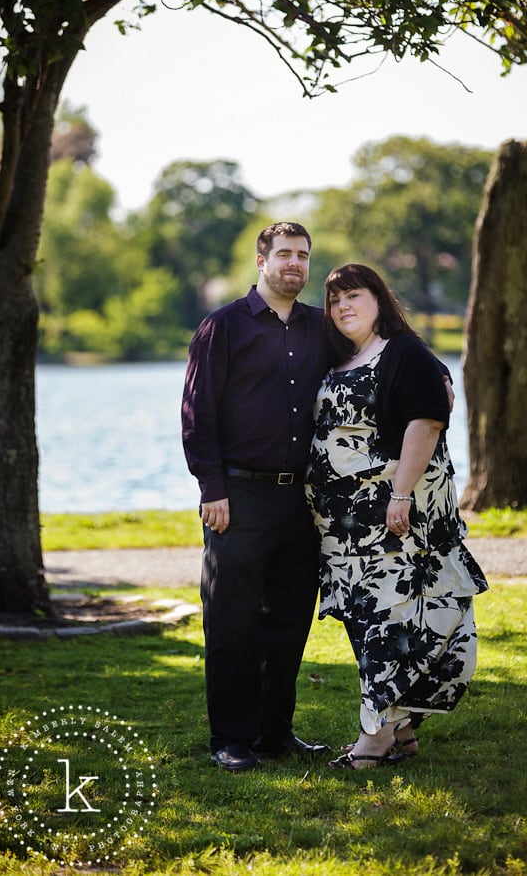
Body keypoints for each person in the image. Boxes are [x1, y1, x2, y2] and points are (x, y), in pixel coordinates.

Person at [305, 264, 488, 770]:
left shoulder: (403, 351)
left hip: (391, 516)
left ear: (380, 300)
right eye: (335, 299)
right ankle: (401, 732)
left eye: (354, 295)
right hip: (342, 526)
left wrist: (401, 494)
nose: (343, 306)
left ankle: (376, 736)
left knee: (390, 618)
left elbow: (427, 420)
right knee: (366, 623)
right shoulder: (344, 356)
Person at [181, 221, 332, 772]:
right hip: (238, 498)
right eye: (286, 254)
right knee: (232, 620)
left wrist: (434, 377)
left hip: (302, 504)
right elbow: (198, 415)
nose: (296, 264)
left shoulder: (321, 328)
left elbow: (378, 356)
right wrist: (212, 489)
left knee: (289, 621)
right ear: (261, 260)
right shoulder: (223, 326)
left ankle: (275, 734)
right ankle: (231, 739)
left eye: (304, 256)